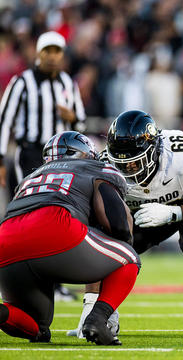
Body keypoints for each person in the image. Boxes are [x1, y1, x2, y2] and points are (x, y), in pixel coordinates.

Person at [66, 110, 183, 339]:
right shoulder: (104, 166)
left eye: (135, 162)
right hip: (144, 211)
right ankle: (102, 314)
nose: (128, 170)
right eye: (122, 164)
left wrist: (173, 213)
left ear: (154, 150)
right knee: (107, 245)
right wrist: (89, 308)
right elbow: (99, 231)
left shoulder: (181, 155)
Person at [0, 131, 139, 346]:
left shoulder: (30, 178)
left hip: (5, 241)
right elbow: (117, 224)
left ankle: (3, 313)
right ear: (87, 154)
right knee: (129, 257)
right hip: (54, 226)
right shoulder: (96, 168)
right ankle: (98, 319)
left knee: (37, 327)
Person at [0, 31, 86, 302]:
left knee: (58, 215)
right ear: (38, 53)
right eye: (47, 51)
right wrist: (0, 159)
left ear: (62, 55)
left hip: (60, 158)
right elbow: (4, 121)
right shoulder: (22, 82)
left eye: (56, 51)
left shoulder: (67, 83)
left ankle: (53, 283)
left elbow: (81, 125)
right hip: (30, 155)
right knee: (24, 213)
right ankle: (13, 279)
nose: (52, 56)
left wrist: (71, 117)